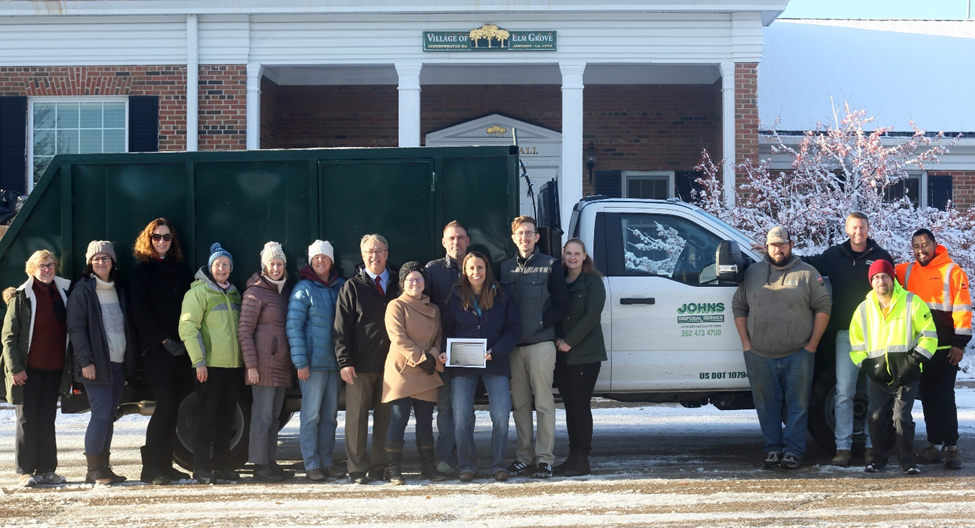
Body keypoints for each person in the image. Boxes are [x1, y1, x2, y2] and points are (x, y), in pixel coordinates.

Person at [732, 226, 831, 470]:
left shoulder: (808, 273)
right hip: (759, 355)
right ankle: (773, 449)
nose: (778, 249)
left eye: (782, 244)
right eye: (773, 245)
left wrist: (812, 345)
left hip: (798, 354)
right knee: (767, 406)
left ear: (791, 244)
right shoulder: (753, 273)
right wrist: (746, 343)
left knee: (798, 405)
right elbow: (739, 306)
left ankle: (793, 452)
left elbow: (823, 307)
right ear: (767, 247)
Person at [800, 212, 894, 467]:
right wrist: (778, 253)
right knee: (844, 392)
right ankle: (842, 448)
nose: (858, 231)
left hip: (876, 335)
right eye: (854, 227)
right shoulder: (834, 255)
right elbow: (807, 263)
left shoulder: (881, 256)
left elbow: (894, 294)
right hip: (846, 335)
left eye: (862, 227)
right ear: (847, 228)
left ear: (868, 228)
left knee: (876, 392)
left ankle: (872, 447)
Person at [850, 259, 938, 475]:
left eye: (885, 276)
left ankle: (907, 461)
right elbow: (856, 343)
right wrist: (869, 367)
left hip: (907, 372)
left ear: (892, 278)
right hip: (878, 374)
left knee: (901, 417)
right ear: (871, 282)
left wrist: (913, 361)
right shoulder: (863, 309)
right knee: (877, 416)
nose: (881, 281)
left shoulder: (912, 302)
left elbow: (930, 335)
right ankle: (878, 459)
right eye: (876, 277)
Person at [441, 251, 521, 483]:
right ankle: (467, 465)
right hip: (463, 366)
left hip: (494, 362)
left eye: (481, 267)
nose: (476, 272)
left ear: (487, 270)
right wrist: (448, 351)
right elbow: (446, 330)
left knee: (501, 415)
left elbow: (513, 330)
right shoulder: (455, 297)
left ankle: (498, 464)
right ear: (465, 271)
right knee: (462, 416)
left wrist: (496, 352)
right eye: (472, 268)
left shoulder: (502, 296)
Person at [896, 229, 972, 469]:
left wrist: (960, 344)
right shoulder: (907, 271)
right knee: (927, 397)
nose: (921, 250)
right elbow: (880, 271)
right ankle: (934, 444)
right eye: (916, 245)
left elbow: (962, 309)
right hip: (920, 348)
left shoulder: (952, 271)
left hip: (947, 348)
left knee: (945, 397)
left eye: (925, 244)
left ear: (935, 245)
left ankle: (951, 447)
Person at [500, 215, 569, 479]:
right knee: (519, 405)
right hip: (513, 348)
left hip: (541, 345)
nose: (525, 238)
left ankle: (544, 459)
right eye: (520, 233)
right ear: (513, 237)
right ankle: (523, 456)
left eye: (529, 233)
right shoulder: (504, 267)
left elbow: (563, 305)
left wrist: (541, 321)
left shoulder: (551, 266)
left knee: (543, 403)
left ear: (537, 237)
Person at [129, 218, 195, 485]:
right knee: (165, 406)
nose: (161, 242)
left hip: (183, 351)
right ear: (149, 239)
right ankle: (151, 468)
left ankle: (167, 467)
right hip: (158, 352)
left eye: (167, 237)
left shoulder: (183, 269)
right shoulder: (140, 272)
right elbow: (139, 313)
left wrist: (186, 342)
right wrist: (165, 341)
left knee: (175, 409)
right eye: (157, 237)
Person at [67, 241, 138, 485]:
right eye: (96, 259)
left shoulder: (119, 289)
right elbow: (76, 329)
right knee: (100, 414)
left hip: (118, 363)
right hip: (96, 365)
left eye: (105, 258)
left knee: (109, 416)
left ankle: (104, 467)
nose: (101, 262)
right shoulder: (83, 291)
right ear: (90, 263)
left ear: (112, 262)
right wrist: (86, 361)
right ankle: (93, 469)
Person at [2, 250, 72, 487]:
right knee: (27, 420)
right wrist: (16, 369)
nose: (47, 269)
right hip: (28, 371)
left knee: (47, 420)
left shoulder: (63, 293)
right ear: (32, 269)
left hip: (55, 370)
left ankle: (47, 470)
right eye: (42, 265)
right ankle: (25, 472)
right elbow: (9, 337)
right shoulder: (21, 297)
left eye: (51, 265)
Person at [335, 234, 400, 484]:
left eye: (380, 250)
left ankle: (378, 466)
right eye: (370, 251)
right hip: (359, 366)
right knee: (356, 420)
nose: (375, 255)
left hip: (391, 366)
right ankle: (357, 469)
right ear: (363, 256)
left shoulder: (397, 284)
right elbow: (341, 328)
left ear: (387, 253)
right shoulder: (352, 286)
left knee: (385, 419)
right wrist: (344, 361)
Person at [179, 242, 243, 485]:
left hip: (232, 367)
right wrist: (199, 362)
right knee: (205, 418)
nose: (222, 268)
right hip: (209, 367)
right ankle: (202, 467)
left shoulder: (234, 293)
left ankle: (222, 466)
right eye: (218, 264)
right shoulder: (198, 293)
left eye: (226, 265)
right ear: (210, 267)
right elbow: (188, 327)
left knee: (227, 418)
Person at [287, 240, 347, 482]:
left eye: (325, 257)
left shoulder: (340, 286)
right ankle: (312, 464)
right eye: (316, 258)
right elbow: (294, 327)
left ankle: (327, 460)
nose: (320, 261)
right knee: (310, 415)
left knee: (330, 416)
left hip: (335, 364)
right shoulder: (303, 289)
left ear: (331, 260)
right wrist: (301, 362)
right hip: (312, 366)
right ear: (310, 261)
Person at [381, 262, 446, 485]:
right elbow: (398, 339)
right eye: (410, 279)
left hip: (427, 369)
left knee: (426, 421)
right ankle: (393, 469)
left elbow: (439, 336)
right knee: (398, 419)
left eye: (419, 279)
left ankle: (428, 468)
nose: (415, 283)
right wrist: (422, 358)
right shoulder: (395, 306)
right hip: (402, 370)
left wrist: (434, 355)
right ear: (402, 283)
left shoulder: (434, 309)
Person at [238, 241, 294, 482]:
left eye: (279, 263)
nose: (276, 268)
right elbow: (244, 331)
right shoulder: (255, 292)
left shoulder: (282, 292)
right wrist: (251, 366)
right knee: (262, 416)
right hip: (262, 366)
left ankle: (270, 462)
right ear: (264, 266)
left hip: (280, 366)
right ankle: (260, 466)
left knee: (273, 416)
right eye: (272, 263)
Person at [553, 238, 607, 477]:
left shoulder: (593, 282)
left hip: (585, 353)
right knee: (570, 407)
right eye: (568, 253)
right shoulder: (560, 281)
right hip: (562, 353)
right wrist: (556, 339)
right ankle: (572, 457)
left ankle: (582, 459)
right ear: (563, 255)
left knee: (580, 406)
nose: (572, 258)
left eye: (577, 253)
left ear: (585, 256)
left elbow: (592, 316)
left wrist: (569, 341)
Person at [424, 220, 470, 478]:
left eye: (460, 237)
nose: (456, 242)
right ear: (443, 242)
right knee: (445, 406)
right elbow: (425, 308)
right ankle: (444, 457)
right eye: (451, 238)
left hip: (473, 347)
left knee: (465, 407)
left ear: (468, 241)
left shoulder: (477, 266)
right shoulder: (432, 270)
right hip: (444, 348)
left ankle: (467, 456)